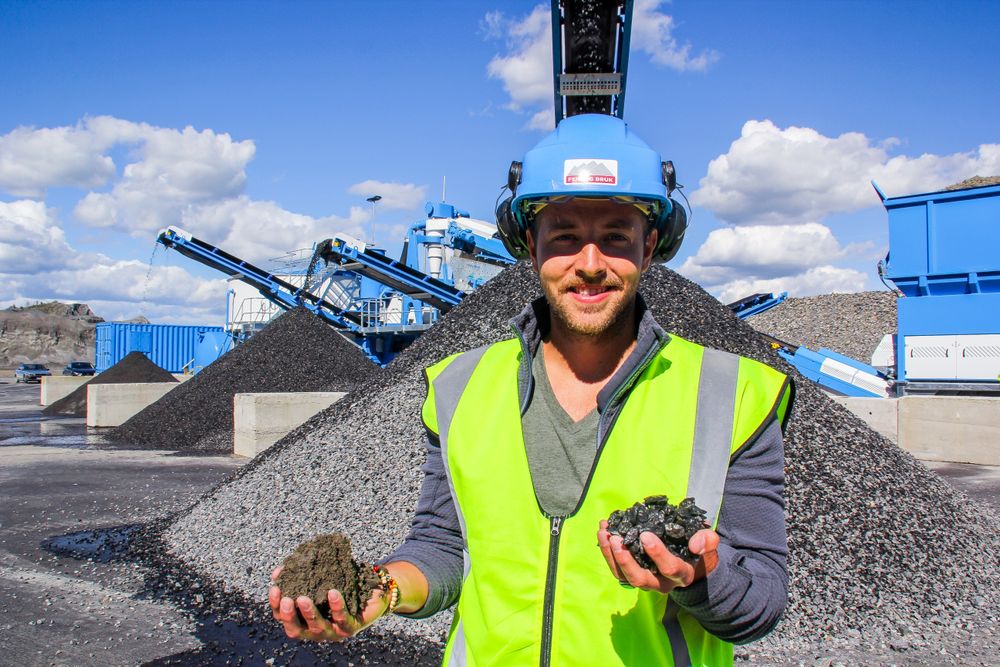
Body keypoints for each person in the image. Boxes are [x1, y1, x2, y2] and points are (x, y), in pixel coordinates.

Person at [271, 113, 794, 666]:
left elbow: (762, 600)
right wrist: (382, 589)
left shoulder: (730, 393)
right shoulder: (459, 386)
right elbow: (443, 547)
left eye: (615, 238)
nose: (589, 265)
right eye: (565, 237)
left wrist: (696, 581)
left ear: (649, 247)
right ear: (531, 245)